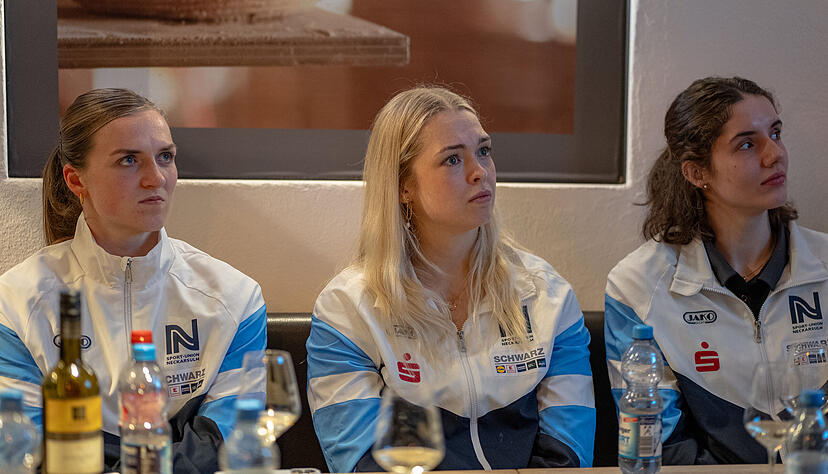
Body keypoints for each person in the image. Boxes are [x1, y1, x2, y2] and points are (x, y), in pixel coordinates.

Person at [307, 86, 595, 472]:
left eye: (484, 151)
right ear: (402, 187)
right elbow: (360, 462)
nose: (480, 172)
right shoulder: (347, 309)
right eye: (452, 160)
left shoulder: (548, 295)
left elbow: (568, 454)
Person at [0, 88, 266, 473]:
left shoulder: (236, 298)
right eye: (129, 160)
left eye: (165, 157)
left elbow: (231, 444)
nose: (155, 178)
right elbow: (25, 453)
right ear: (76, 180)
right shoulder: (15, 303)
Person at [604, 76, 828, 464]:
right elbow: (662, 447)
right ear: (696, 173)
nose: (775, 154)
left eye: (775, 133)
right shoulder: (637, 286)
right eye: (747, 143)